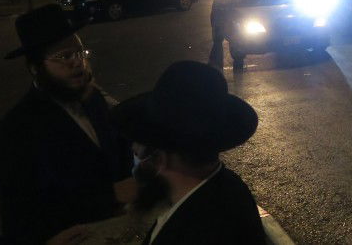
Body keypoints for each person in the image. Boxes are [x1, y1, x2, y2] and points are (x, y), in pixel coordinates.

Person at [0, 5, 134, 244]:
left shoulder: (95, 100)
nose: (78, 63)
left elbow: (121, 157)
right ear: (35, 68)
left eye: (80, 53)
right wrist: (111, 195)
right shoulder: (12, 133)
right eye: (65, 57)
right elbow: (22, 219)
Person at [112, 61, 265, 244]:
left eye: (138, 142)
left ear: (160, 158)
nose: (133, 149)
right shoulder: (231, 186)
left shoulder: (193, 231)